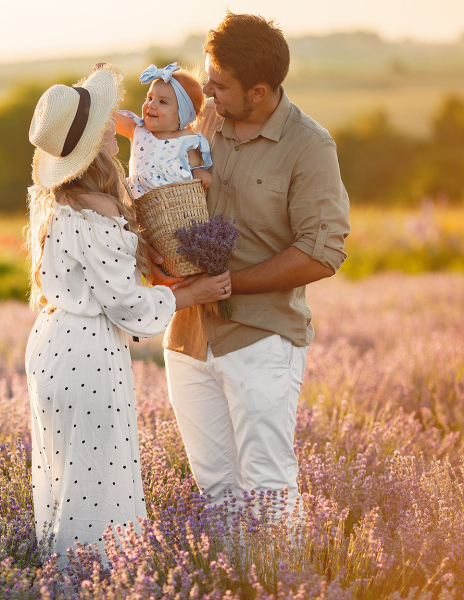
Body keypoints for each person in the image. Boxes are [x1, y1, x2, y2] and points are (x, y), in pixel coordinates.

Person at [24, 64, 231, 564]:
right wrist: (190, 292)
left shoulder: (55, 200)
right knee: (99, 480)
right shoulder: (100, 207)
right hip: (88, 353)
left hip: (51, 345)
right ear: (95, 145)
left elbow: (101, 280)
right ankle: (101, 580)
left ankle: (64, 578)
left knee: (64, 477)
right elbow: (127, 305)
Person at [151, 13, 351, 514]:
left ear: (259, 91)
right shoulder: (205, 123)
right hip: (188, 335)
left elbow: (322, 252)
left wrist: (226, 285)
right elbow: (164, 194)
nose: (207, 96)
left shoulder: (310, 146)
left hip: (262, 337)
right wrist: (155, 257)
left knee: (267, 487)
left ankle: (288, 588)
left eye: (218, 86)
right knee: (214, 490)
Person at [114, 62, 214, 199]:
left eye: (163, 102)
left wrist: (199, 173)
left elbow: (194, 167)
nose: (151, 105)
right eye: (149, 98)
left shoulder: (187, 138)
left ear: (182, 115)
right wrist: (104, 81)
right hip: (140, 206)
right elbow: (108, 117)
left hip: (174, 209)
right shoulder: (137, 129)